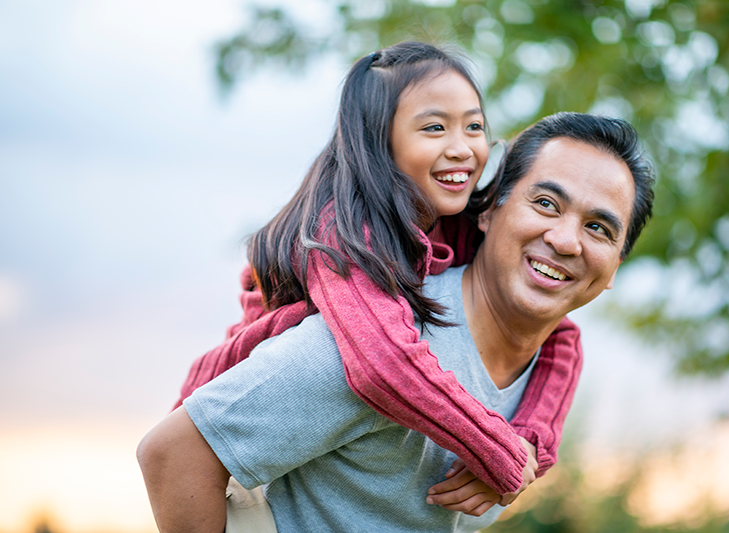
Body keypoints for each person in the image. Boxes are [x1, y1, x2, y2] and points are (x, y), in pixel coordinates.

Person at [138, 112, 656, 533]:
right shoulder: (378, 336)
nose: (566, 241)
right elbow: (172, 453)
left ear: (613, 269)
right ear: (488, 210)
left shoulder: (547, 368)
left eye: (598, 228)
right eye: (545, 203)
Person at [173, 41, 582, 495]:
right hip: (230, 457)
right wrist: (493, 448)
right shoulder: (339, 233)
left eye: (474, 126)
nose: (462, 148)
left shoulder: (456, 221)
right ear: (379, 141)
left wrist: (530, 443)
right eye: (433, 128)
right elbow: (383, 362)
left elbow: (561, 336)